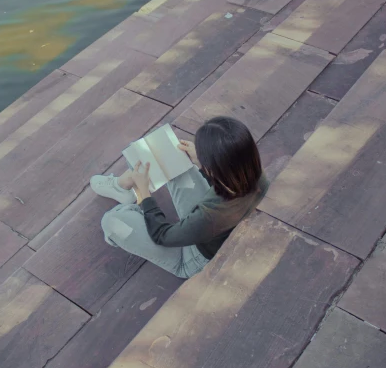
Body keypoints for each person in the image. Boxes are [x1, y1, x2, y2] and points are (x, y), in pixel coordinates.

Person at [90, 116, 269, 279]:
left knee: (112, 221)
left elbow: (163, 235)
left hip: (194, 258)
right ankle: (124, 186)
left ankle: (131, 194)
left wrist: (144, 194)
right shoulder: (255, 174)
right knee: (165, 153)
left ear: (214, 166)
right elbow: (222, 187)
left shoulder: (211, 216)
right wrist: (200, 161)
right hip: (214, 230)